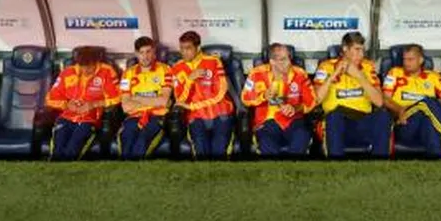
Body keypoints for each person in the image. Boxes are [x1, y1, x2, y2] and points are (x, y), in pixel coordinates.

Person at [312, 31, 391, 158]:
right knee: (334, 116)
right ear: (345, 49)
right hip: (337, 122)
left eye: (363, 50)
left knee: (383, 116)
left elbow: (379, 102)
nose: (361, 54)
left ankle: (380, 164)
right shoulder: (326, 66)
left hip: (362, 121)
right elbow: (315, 100)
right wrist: (333, 75)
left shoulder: (367, 66)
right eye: (357, 49)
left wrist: (360, 76)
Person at [44, 46, 121, 161]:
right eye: (82, 66)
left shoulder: (106, 72)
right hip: (67, 117)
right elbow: (50, 99)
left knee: (72, 149)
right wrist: (67, 104)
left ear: (96, 62)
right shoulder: (67, 73)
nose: (85, 70)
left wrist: (93, 104)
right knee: (58, 149)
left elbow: (117, 97)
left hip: (89, 119)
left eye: (89, 66)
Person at [242, 43, 316, 157]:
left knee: (302, 136)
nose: (288, 63)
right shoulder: (256, 73)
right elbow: (245, 98)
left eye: (288, 58)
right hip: (266, 122)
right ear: (272, 61)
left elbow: (311, 101)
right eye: (283, 60)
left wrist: (295, 108)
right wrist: (263, 96)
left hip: (293, 121)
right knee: (267, 144)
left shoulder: (300, 74)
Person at [171, 30, 236, 159]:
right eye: (181, 48)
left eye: (188, 48)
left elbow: (221, 92)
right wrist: (189, 80)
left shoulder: (214, 61)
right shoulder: (177, 68)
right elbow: (180, 99)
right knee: (201, 150)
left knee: (219, 150)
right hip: (196, 116)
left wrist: (194, 106)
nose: (184, 52)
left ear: (198, 47)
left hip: (220, 112)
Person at [118, 36, 173, 160]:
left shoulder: (165, 70)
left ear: (154, 52)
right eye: (141, 52)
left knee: (142, 139)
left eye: (148, 51)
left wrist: (136, 97)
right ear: (136, 54)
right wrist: (154, 101)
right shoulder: (127, 73)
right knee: (126, 136)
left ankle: (137, 168)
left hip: (157, 117)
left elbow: (163, 101)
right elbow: (126, 106)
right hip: (134, 116)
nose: (145, 56)